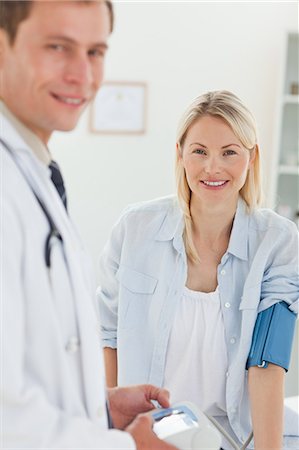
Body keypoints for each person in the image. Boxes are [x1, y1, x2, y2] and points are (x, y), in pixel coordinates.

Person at [0, 1, 178, 449]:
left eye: (96, 52)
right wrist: (130, 447)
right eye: (58, 47)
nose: (83, 75)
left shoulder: (33, 171)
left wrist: (98, 409)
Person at [98, 90, 299, 450]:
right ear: (180, 154)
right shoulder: (135, 229)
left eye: (230, 152)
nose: (213, 168)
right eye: (200, 151)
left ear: (252, 158)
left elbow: (268, 361)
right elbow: (107, 339)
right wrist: (110, 437)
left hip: (230, 437)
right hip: (148, 435)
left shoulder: (278, 241)